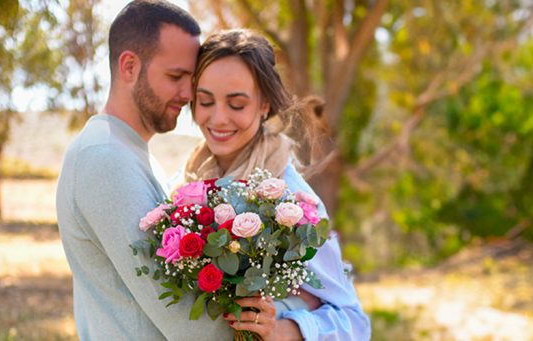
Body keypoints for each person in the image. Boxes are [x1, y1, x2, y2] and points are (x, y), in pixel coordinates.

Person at [55, 1, 232, 339]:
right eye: (176, 76)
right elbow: (179, 312)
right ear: (130, 66)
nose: (188, 93)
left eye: (191, 79)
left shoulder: (130, 152)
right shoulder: (105, 157)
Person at [184, 29, 372, 340]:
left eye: (237, 104)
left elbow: (355, 323)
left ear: (265, 104)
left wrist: (283, 327)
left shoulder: (291, 201)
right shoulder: (186, 181)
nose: (218, 118)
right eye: (205, 101)